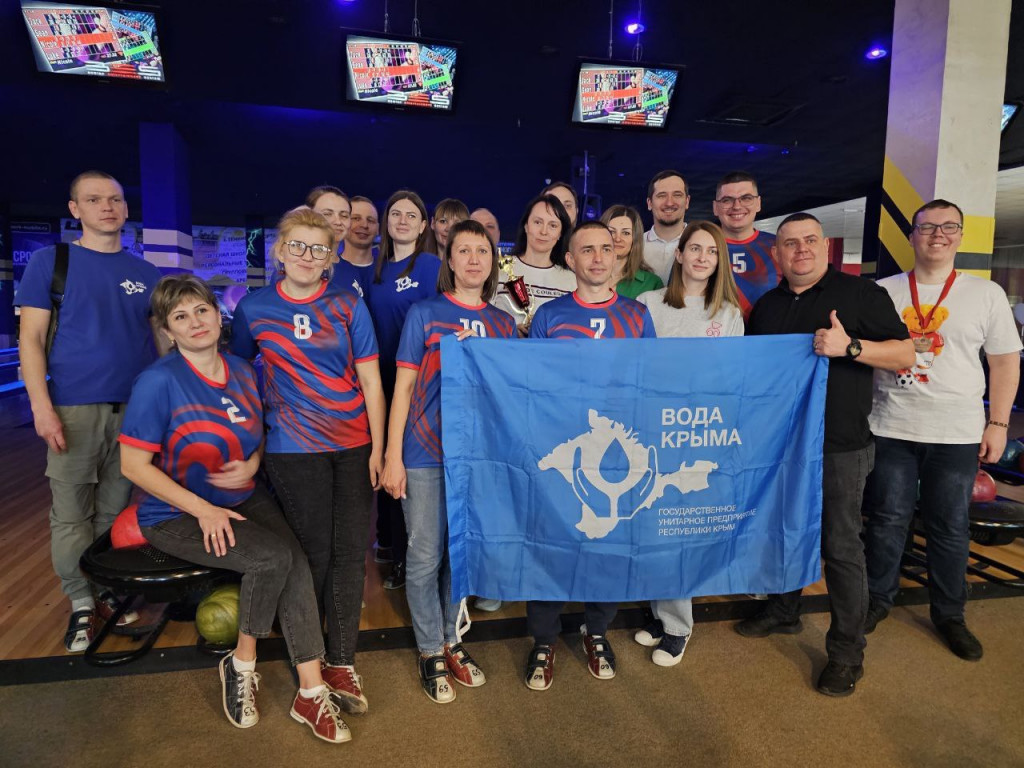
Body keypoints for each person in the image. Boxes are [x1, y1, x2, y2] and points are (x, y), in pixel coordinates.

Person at [120, 274, 350, 743]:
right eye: (180, 316)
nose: (195, 322)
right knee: (271, 559)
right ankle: (241, 664)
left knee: (295, 561)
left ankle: (310, 691)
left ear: (217, 314)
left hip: (242, 495)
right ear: (167, 330)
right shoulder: (158, 382)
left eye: (201, 310)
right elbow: (132, 466)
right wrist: (202, 510)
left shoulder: (244, 370)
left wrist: (252, 462)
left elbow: (259, 432)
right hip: (175, 514)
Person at [734, 213, 915, 697]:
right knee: (783, 531)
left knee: (840, 547)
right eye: (790, 243)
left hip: (840, 446)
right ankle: (784, 609)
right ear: (776, 253)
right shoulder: (767, 307)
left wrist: (849, 346)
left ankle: (847, 654)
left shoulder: (860, 293)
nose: (801, 250)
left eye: (810, 240)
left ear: (825, 246)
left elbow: (905, 355)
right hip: (781, 443)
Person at [231, 206, 386, 716]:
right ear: (279, 251)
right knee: (314, 553)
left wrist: (379, 448)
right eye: (297, 245)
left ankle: (341, 660)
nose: (306, 255)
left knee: (350, 554)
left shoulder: (347, 304)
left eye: (319, 249)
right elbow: (235, 377)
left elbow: (371, 381)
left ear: (330, 259)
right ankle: (310, 660)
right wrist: (246, 442)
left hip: (353, 443)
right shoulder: (254, 308)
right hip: (292, 447)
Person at [862, 199, 1022, 661]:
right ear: (911, 235)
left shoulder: (985, 293)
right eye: (927, 227)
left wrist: (998, 424)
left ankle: (950, 614)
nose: (937, 235)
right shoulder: (883, 291)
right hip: (891, 425)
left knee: (949, 526)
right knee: (887, 519)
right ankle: (876, 600)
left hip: (957, 432)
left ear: (960, 236)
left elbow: (1004, 362)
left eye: (948, 227)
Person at [15, 170, 162, 652]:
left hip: (135, 411)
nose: (107, 207)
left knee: (114, 510)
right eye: (94, 200)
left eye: (115, 199)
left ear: (125, 208)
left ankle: (104, 589)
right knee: (71, 512)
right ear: (75, 209)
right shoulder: (50, 262)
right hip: (73, 409)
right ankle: (81, 600)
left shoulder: (145, 273)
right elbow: (31, 339)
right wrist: (41, 407)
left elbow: (160, 343)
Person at [381, 219, 516, 702]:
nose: (474, 259)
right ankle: (428, 649)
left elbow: (509, 397)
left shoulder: (503, 324)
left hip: (477, 458)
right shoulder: (425, 313)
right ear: (450, 260)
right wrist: (392, 455)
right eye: (464, 251)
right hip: (424, 452)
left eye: (483, 251)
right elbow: (403, 389)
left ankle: (450, 640)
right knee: (424, 555)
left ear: (493, 261)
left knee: (460, 555)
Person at [525, 221, 656, 691]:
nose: (598, 258)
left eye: (606, 249)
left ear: (617, 256)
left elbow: (650, 381)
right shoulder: (549, 315)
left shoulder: (637, 315)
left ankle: (596, 629)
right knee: (552, 543)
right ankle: (543, 639)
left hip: (617, 453)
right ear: (571, 260)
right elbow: (532, 384)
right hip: (563, 450)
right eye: (587, 250)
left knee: (608, 545)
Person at [632, 220, 743, 665]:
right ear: (678, 255)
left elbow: (732, 379)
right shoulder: (648, 304)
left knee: (680, 531)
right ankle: (660, 614)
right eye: (694, 248)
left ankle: (678, 626)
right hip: (651, 431)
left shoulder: (728, 314)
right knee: (650, 527)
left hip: (696, 435)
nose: (702, 257)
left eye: (711, 251)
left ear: (719, 261)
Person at [365, 190, 441, 590]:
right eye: (396, 213)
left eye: (412, 215)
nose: (403, 220)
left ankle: (412, 559)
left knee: (408, 467)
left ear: (424, 225)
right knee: (386, 464)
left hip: (418, 381)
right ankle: (395, 550)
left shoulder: (430, 266)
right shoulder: (375, 271)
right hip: (381, 379)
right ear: (387, 222)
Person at [491, 194, 575, 335]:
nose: (543, 231)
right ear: (526, 226)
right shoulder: (498, 270)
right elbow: (483, 319)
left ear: (560, 233)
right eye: (537, 222)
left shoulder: (572, 281)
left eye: (553, 225)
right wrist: (509, 331)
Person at [711, 171, 780, 317]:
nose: (737, 206)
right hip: (715, 331)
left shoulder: (779, 246)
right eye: (727, 200)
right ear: (715, 207)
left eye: (746, 198)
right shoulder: (699, 248)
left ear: (758, 203)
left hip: (770, 331)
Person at [600, 204, 663, 299]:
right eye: (611, 232)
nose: (617, 239)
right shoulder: (585, 274)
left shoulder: (652, 283)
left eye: (626, 233)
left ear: (635, 239)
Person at [643, 170, 690, 284]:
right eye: (662, 195)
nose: (669, 203)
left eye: (677, 195)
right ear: (649, 203)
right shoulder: (635, 246)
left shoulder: (703, 245)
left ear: (687, 201)